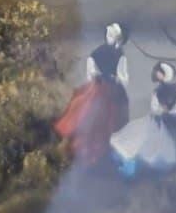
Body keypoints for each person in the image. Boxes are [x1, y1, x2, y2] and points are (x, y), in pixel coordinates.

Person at [54, 24, 130, 167]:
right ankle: (87, 147)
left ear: (117, 38)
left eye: (112, 36)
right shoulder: (99, 52)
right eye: (108, 35)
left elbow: (123, 75)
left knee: (111, 117)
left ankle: (104, 149)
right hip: (100, 87)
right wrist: (98, 77)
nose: (109, 37)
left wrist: (116, 80)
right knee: (92, 113)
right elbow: (91, 69)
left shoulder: (119, 54)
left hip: (111, 89)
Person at [111, 62, 176, 176]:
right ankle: (132, 168)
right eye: (157, 72)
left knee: (170, 144)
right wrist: (162, 111)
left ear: (165, 73)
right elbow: (154, 107)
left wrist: (174, 110)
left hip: (174, 119)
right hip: (160, 119)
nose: (157, 74)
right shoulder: (158, 91)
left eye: (159, 72)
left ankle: (174, 169)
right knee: (138, 139)